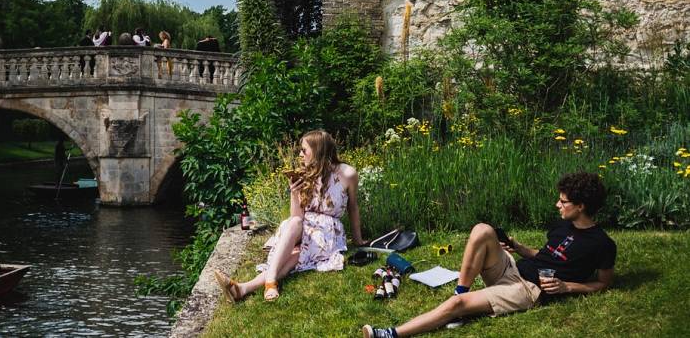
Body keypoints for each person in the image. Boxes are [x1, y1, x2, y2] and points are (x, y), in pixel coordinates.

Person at [362, 172, 616, 338]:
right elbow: (546, 254)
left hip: (529, 289)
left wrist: (567, 287)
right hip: (514, 270)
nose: (557, 205)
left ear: (581, 206)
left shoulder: (602, 244)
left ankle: (390, 334)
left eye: (563, 202)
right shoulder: (562, 226)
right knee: (483, 230)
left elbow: (603, 283)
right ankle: (462, 291)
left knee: (455, 307)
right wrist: (517, 246)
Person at [215, 130, 365, 302]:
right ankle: (269, 282)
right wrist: (294, 194)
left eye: (304, 150)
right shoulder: (303, 173)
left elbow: (353, 207)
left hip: (326, 231)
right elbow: (297, 216)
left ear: (318, 151)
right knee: (293, 222)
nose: (300, 155)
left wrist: (358, 240)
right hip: (301, 225)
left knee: (296, 255)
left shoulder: (347, 174)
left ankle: (243, 288)